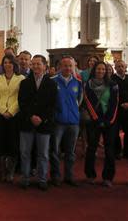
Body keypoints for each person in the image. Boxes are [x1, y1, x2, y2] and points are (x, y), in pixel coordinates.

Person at [18, 55, 57, 191]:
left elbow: (52, 105)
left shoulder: (51, 83)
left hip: (44, 123)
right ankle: (25, 178)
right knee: (25, 152)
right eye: (33, 64)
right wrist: (31, 116)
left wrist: (41, 117)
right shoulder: (24, 83)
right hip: (27, 122)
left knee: (43, 154)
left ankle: (42, 179)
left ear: (45, 66)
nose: (35, 66)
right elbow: (22, 103)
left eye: (38, 64)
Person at [84, 61, 119, 187]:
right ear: (94, 70)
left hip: (110, 121)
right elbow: (88, 102)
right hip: (94, 121)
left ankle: (108, 177)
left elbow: (114, 104)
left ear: (107, 71)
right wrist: (97, 119)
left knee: (109, 149)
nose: (101, 71)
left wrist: (108, 120)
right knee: (91, 148)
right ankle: (90, 175)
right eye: (98, 69)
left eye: (103, 69)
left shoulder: (113, 85)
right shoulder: (88, 85)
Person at [49, 56, 83, 187]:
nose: (68, 68)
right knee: (55, 150)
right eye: (65, 66)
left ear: (74, 67)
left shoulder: (78, 82)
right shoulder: (52, 81)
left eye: (70, 66)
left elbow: (79, 100)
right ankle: (56, 176)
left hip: (73, 122)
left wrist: (74, 112)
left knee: (70, 151)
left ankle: (69, 176)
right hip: (58, 121)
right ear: (60, 67)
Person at [0, 55, 24, 183]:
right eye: (5, 62)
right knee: (1, 143)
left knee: (13, 144)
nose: (8, 65)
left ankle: (10, 172)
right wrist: (2, 111)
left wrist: (10, 111)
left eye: (10, 62)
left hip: (14, 116)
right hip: (0, 115)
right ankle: (2, 171)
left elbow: (20, 97)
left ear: (14, 64)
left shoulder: (21, 78)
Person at [112, 60, 128, 159]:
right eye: (118, 66)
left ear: (125, 67)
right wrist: (121, 104)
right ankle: (117, 152)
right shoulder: (112, 79)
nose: (120, 68)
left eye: (122, 66)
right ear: (115, 68)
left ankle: (127, 152)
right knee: (115, 132)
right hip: (116, 109)